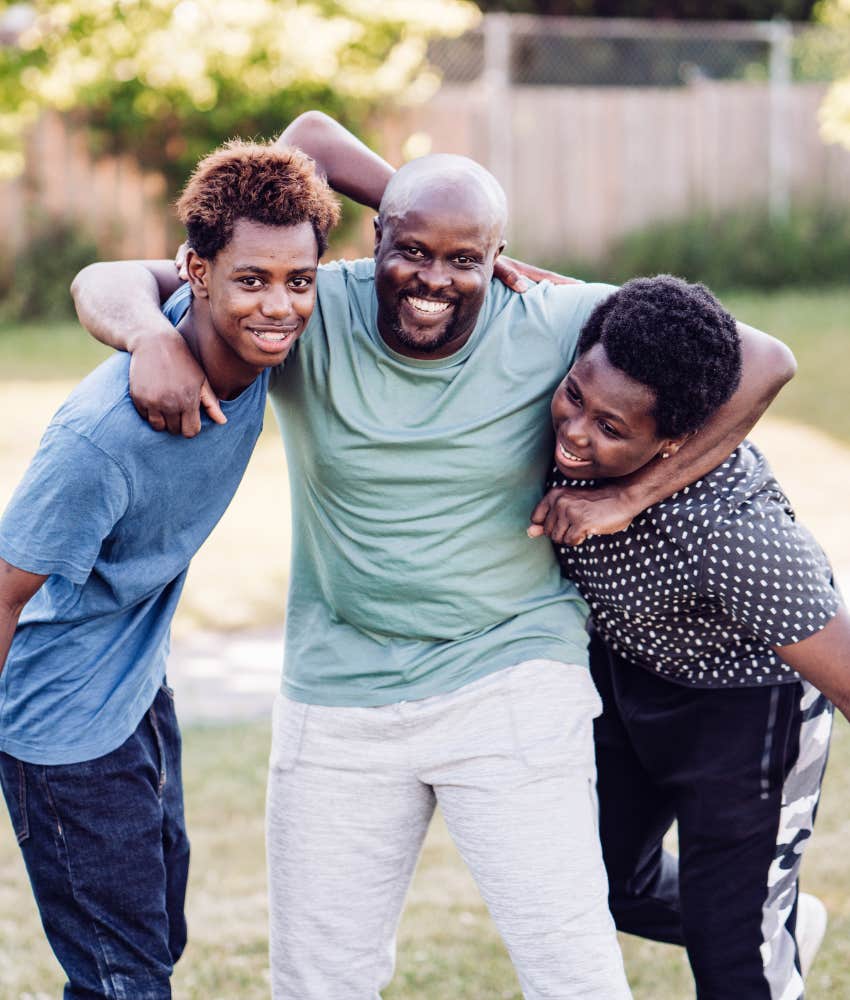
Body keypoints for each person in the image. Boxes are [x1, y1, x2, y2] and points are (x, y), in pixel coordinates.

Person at [70, 112, 796, 1000]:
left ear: (499, 256)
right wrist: (151, 337)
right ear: (377, 237)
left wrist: (625, 496)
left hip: (512, 676)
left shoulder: (551, 313)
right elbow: (110, 276)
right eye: (414, 251)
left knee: (574, 973)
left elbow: (763, 355)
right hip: (339, 691)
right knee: (316, 981)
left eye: (466, 259)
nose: (433, 280)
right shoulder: (309, 305)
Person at [0, 139, 340, 999]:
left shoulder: (260, 339)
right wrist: (149, 338)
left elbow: (316, 136)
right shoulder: (100, 442)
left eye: (298, 282)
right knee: (125, 976)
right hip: (60, 723)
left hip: (136, 681)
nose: (278, 305)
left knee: (154, 936)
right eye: (251, 279)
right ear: (194, 271)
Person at [531, 274, 848, 1000]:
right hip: (633, 672)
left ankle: (758, 929)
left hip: (750, 713)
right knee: (597, 885)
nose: (577, 432)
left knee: (733, 960)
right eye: (576, 396)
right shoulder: (606, 356)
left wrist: (631, 496)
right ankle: (780, 922)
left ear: (675, 441)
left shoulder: (732, 534)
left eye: (613, 429)